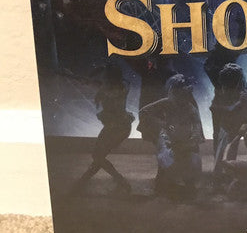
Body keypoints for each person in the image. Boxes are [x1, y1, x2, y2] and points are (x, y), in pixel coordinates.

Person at [138, 74, 204, 199]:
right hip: (169, 136)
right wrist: (161, 123)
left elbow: (197, 125)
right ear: (173, 92)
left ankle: (188, 186)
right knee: (166, 158)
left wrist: (192, 139)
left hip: (185, 138)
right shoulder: (167, 102)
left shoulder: (190, 108)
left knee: (188, 161)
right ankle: (164, 185)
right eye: (177, 94)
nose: (180, 99)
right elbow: (144, 112)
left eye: (183, 95)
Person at [72, 64, 133, 194]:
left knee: (98, 156)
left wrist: (91, 81)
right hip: (116, 127)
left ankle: (120, 182)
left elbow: (109, 92)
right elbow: (104, 84)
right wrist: (91, 78)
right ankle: (84, 180)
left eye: (106, 77)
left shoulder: (116, 89)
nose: (103, 79)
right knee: (98, 156)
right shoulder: (119, 85)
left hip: (118, 128)